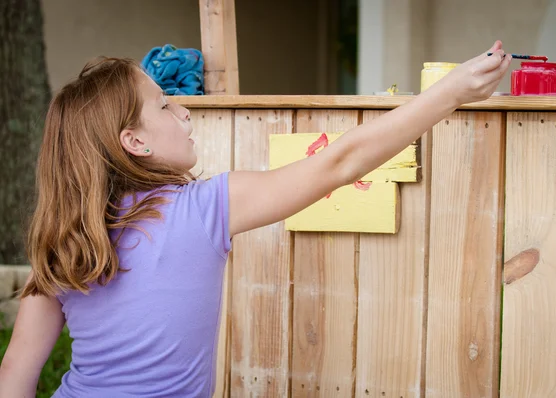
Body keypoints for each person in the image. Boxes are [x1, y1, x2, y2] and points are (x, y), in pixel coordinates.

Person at [0, 41, 511, 397]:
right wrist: (452, 91)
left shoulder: (62, 242)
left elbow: (15, 376)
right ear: (135, 142)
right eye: (164, 105)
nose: (184, 112)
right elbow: (341, 161)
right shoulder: (203, 209)